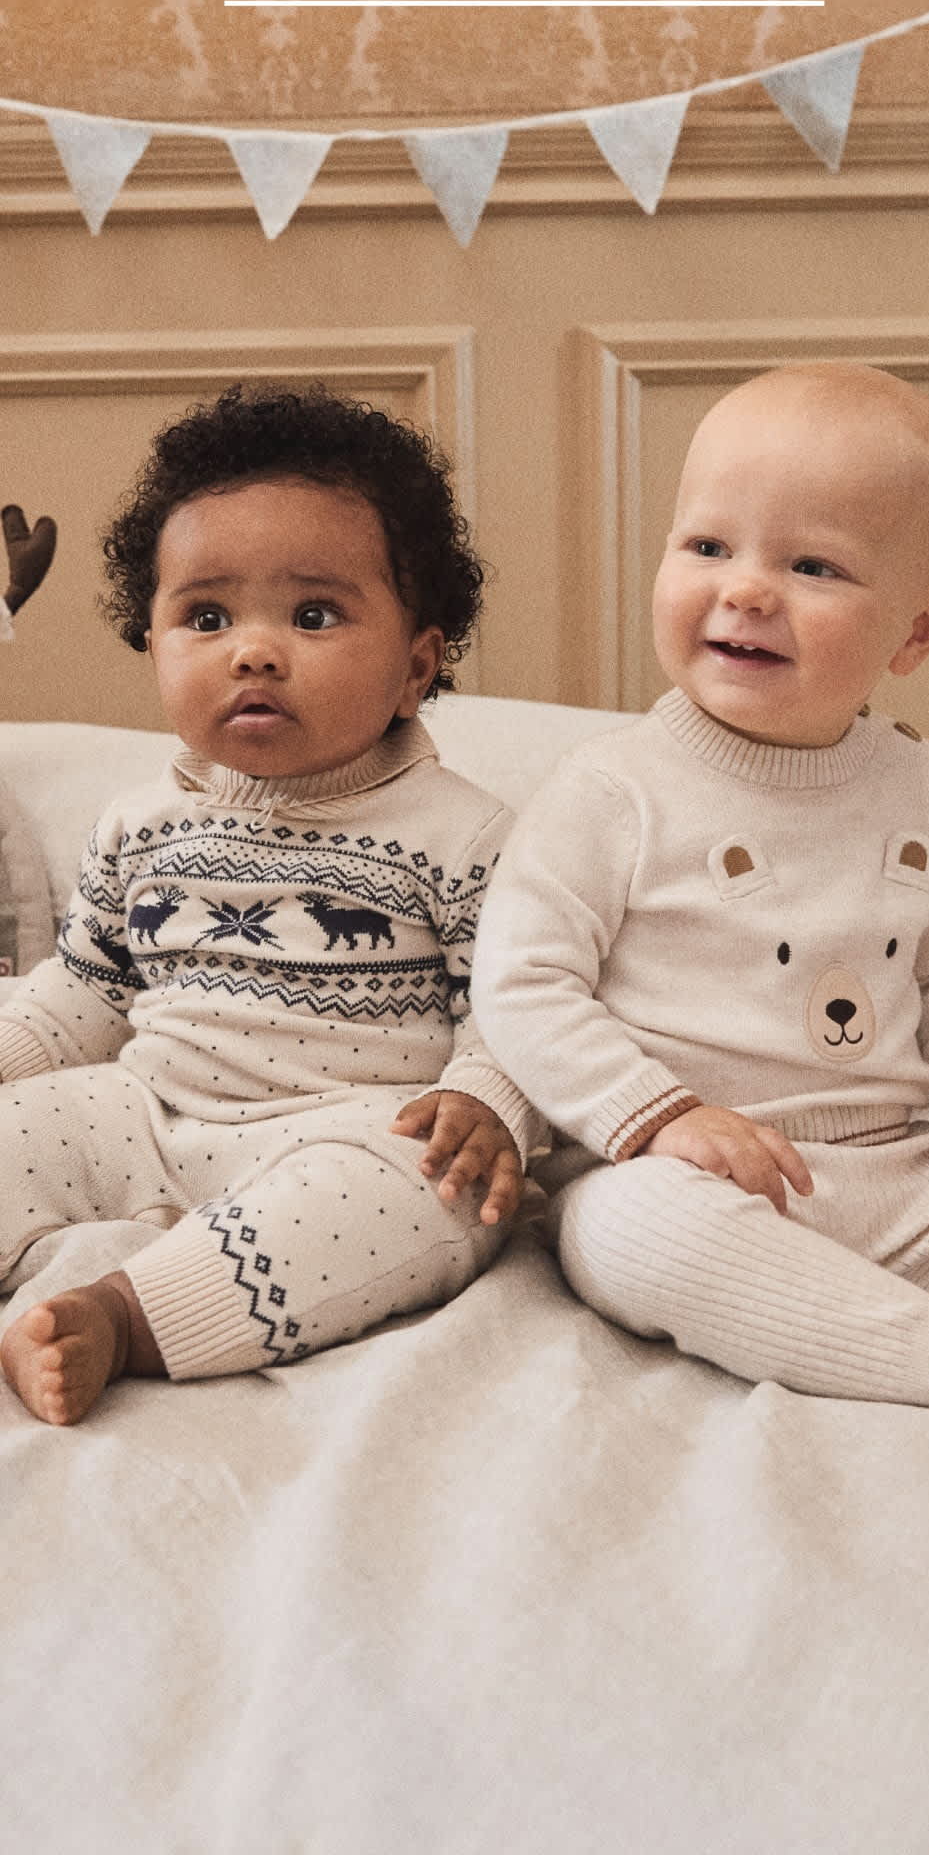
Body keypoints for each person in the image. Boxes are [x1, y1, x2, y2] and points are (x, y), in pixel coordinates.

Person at [472, 362, 929, 1446]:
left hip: (908, 1162)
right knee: (621, 1237)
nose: (743, 589)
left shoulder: (916, 783)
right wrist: (661, 1118)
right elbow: (520, 982)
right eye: (706, 547)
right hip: (699, 1173)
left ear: (917, 634)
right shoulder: (613, 791)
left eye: (813, 565)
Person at [0, 383, 532, 1426]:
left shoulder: (467, 837)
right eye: (206, 617)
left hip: (351, 1131)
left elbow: (519, 1008)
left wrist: (488, 1101)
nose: (253, 649)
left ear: (416, 665)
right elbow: (83, 993)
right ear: (153, 645)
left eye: (314, 615)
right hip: (146, 1112)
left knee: (436, 1197)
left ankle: (124, 1317)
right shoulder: (138, 823)